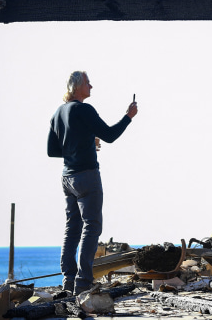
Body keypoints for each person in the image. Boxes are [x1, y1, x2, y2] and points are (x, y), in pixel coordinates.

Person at [47, 71, 138, 294]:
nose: (91, 86)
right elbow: (109, 135)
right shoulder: (84, 109)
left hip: (67, 178)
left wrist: (83, 143)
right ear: (77, 86)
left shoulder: (58, 113)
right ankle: (83, 282)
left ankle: (68, 281)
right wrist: (128, 116)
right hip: (86, 175)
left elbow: (52, 150)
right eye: (88, 83)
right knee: (92, 226)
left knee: (72, 228)